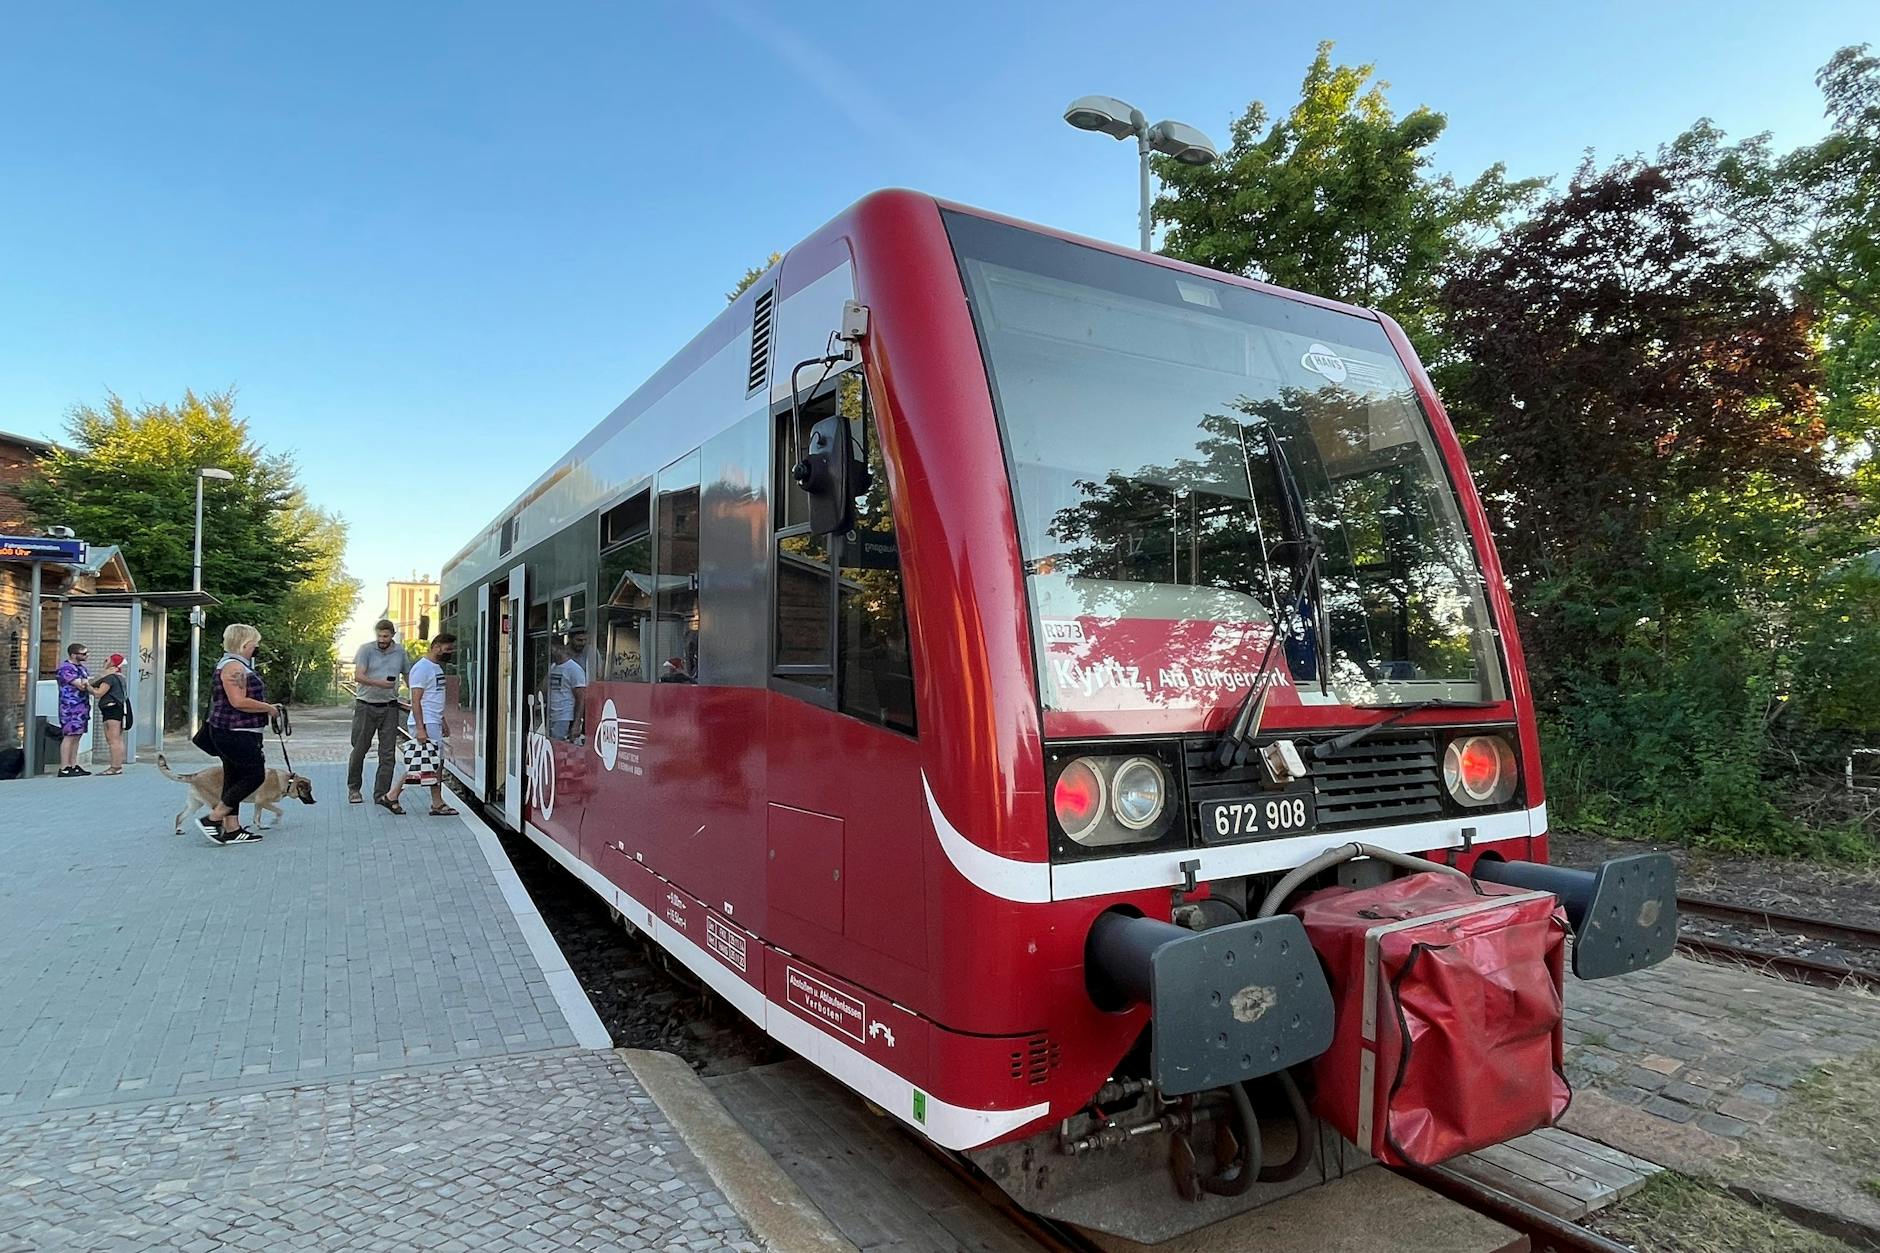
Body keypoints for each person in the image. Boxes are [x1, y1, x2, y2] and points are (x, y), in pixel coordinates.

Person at [197, 623, 281, 845]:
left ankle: (232, 829)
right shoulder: (235, 667)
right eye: (255, 643)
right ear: (245, 644)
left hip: (229, 730)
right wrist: (268, 708)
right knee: (254, 775)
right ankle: (213, 818)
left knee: (233, 777)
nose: (257, 647)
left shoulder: (232, 664)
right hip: (236, 731)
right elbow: (238, 701)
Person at [380, 633, 458, 817]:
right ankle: (431, 803)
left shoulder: (436, 668)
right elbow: (416, 701)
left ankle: (397, 797)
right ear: (437, 646)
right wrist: (421, 728)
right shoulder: (422, 669)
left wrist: (443, 721)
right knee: (429, 762)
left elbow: (435, 698)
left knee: (430, 762)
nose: (450, 652)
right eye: (448, 649)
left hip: (433, 720)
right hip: (425, 721)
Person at [346, 619, 411, 805]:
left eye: (386, 636)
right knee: (359, 748)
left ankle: (381, 794)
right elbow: (358, 675)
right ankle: (354, 789)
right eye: (379, 636)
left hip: (390, 706)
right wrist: (379, 683)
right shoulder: (366, 649)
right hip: (366, 705)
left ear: (392, 636)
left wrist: (414, 694)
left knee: (387, 753)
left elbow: (407, 674)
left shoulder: (400, 652)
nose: (382, 639)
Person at [54, 643, 94, 777]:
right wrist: (90, 682)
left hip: (82, 706)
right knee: (69, 736)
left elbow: (87, 682)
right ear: (73, 654)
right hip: (70, 707)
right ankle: (64, 767)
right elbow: (82, 685)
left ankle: (73, 765)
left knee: (77, 735)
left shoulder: (82, 668)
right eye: (83, 653)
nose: (86, 656)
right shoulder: (66, 668)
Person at [94, 652, 134, 775]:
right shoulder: (120, 677)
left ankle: (115, 767)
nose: (104, 662)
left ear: (112, 663)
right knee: (117, 739)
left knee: (113, 739)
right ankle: (117, 765)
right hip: (118, 709)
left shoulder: (110, 678)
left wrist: (87, 687)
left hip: (111, 709)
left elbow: (99, 693)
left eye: (107, 660)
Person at [546, 640, 588, 741]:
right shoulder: (553, 667)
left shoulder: (574, 670)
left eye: (552, 649)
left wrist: (576, 724)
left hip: (564, 716)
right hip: (552, 715)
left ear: (559, 648)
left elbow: (581, 698)